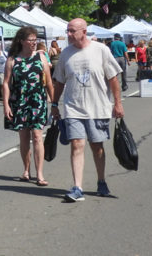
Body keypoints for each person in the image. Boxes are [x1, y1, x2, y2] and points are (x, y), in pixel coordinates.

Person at [51, 18, 124, 202]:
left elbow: (113, 78)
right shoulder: (65, 54)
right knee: (76, 145)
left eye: (72, 31)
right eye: (67, 30)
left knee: (97, 147)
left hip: (98, 107)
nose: (68, 34)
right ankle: (77, 187)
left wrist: (117, 103)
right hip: (73, 107)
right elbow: (59, 81)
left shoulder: (101, 50)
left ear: (83, 31)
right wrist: (53, 104)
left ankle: (101, 181)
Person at [2, 27, 53, 186]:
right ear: (22, 41)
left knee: (37, 136)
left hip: (37, 101)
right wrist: (6, 105)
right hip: (19, 102)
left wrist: (55, 103)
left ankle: (39, 174)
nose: (34, 43)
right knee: (24, 137)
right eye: (31, 40)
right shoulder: (12, 60)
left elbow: (49, 82)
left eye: (35, 40)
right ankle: (26, 169)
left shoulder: (41, 57)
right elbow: (6, 83)